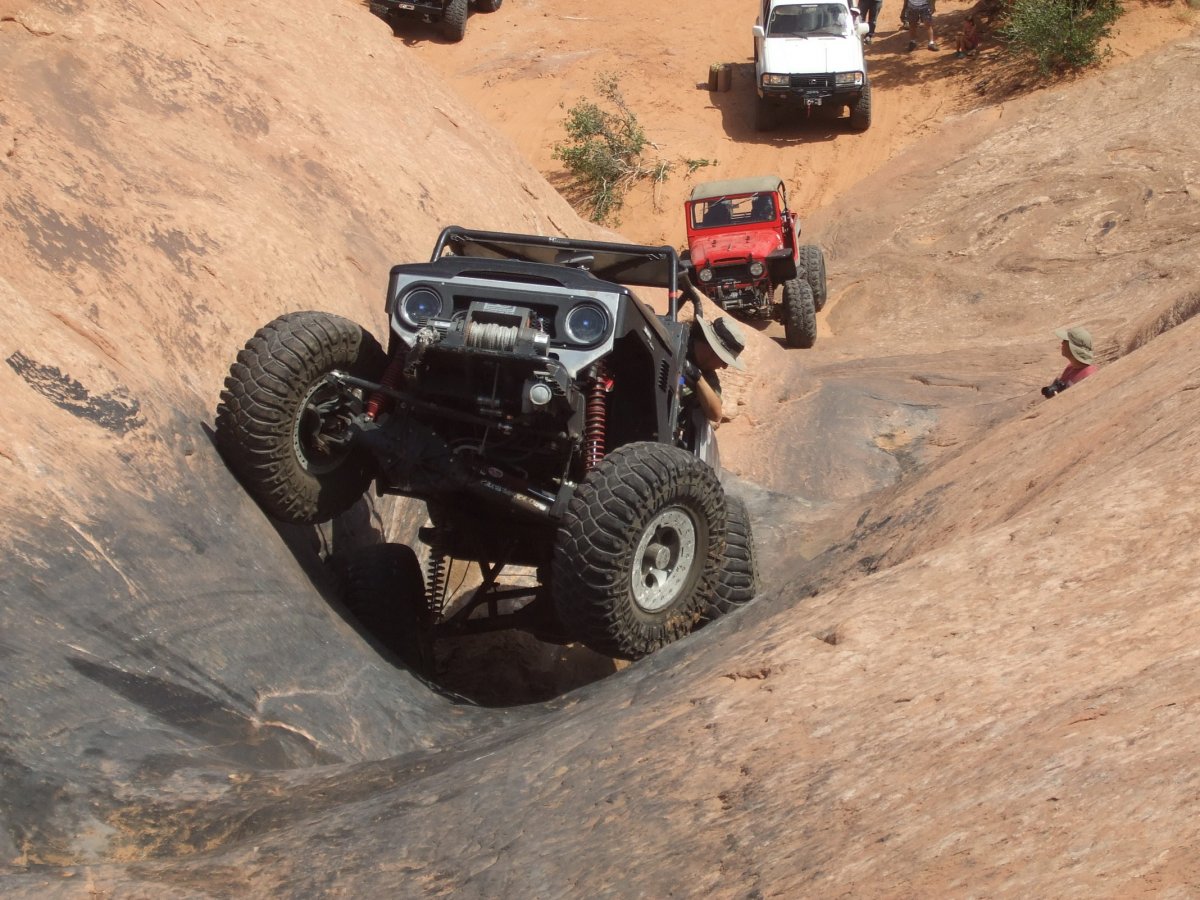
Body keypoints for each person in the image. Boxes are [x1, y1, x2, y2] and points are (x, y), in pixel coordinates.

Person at [680, 315, 747, 468]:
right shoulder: (674, 340)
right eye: (724, 361)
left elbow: (715, 413)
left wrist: (696, 377)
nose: (724, 367)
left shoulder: (707, 375)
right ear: (712, 350)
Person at [1041, 326, 1097, 398]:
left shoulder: (1089, 375)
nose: (1062, 343)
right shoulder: (1070, 367)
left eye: (1065, 341)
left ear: (1073, 348)